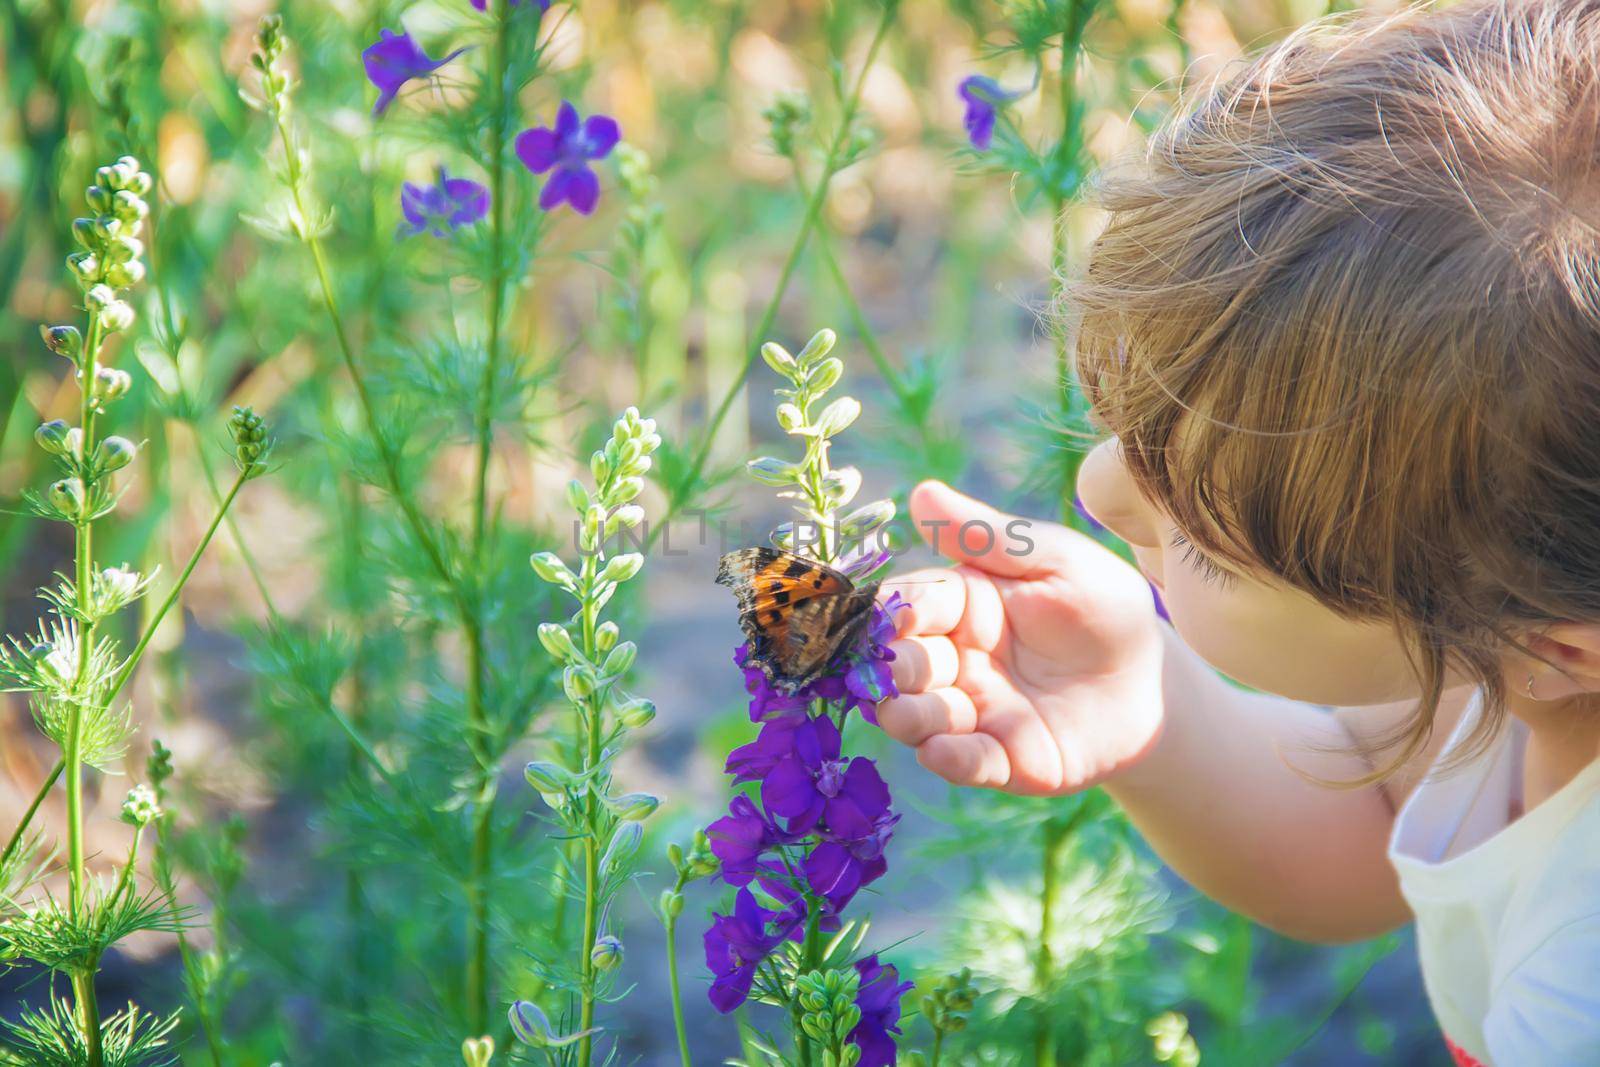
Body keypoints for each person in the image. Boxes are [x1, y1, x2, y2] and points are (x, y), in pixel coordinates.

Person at [877, 3, 1600, 1063]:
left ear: (1554, 647)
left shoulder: (1576, 993)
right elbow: (1363, 831)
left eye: (1208, 539)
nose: (1095, 488)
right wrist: (1148, 699)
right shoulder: (1508, 650)